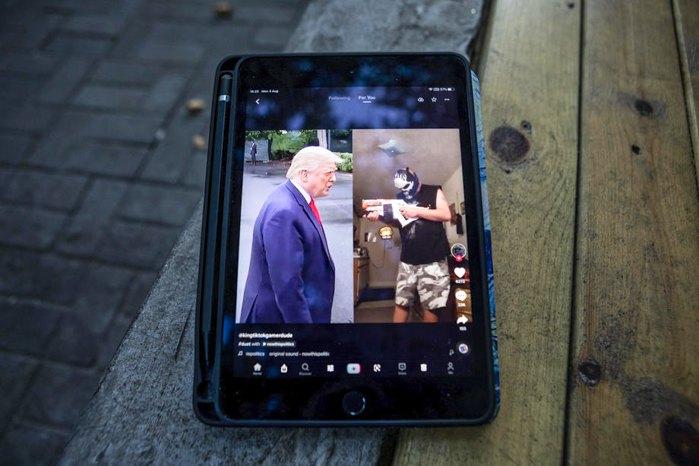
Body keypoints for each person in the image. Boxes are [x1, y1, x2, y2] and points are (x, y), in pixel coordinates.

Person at [239, 146, 340, 323]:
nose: (334, 178)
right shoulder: (284, 212)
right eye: (328, 172)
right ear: (304, 174)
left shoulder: (292, 197)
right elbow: (288, 288)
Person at [366, 167, 452, 323]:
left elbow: (446, 214)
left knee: (431, 306)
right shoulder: (400, 197)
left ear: (416, 180)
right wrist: (380, 218)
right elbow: (398, 223)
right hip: (407, 261)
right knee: (401, 303)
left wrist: (417, 211)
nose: (404, 192)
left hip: (433, 260)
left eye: (406, 187)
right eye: (401, 188)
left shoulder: (433, 191)